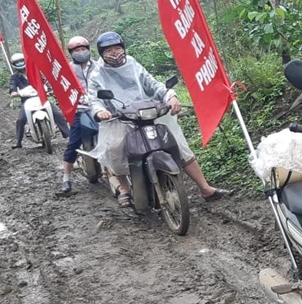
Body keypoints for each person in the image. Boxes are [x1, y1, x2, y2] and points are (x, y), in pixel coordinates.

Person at [88, 32, 232, 207]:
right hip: (119, 118)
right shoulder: (97, 74)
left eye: (117, 48)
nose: (114, 52)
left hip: (146, 112)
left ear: (123, 48)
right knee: (115, 148)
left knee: (178, 143)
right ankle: (124, 188)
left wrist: (170, 96)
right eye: (109, 50)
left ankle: (205, 188)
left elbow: (152, 84)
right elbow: (93, 98)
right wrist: (100, 111)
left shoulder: (132, 64)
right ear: (101, 53)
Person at [60, 36, 98, 194]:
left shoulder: (99, 65)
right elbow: (59, 85)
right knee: (74, 143)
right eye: (77, 50)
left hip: (101, 107)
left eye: (83, 49)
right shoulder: (66, 70)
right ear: (71, 53)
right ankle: (66, 178)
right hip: (80, 110)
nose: (81, 52)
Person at [8, 52, 71, 149]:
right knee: (20, 120)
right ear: (14, 65)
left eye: (21, 60)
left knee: (57, 114)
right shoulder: (15, 77)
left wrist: (50, 90)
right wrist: (13, 92)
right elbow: (12, 85)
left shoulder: (36, 71)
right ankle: (18, 142)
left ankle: (68, 135)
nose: (20, 63)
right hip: (27, 101)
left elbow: (45, 81)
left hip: (41, 98)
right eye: (17, 62)